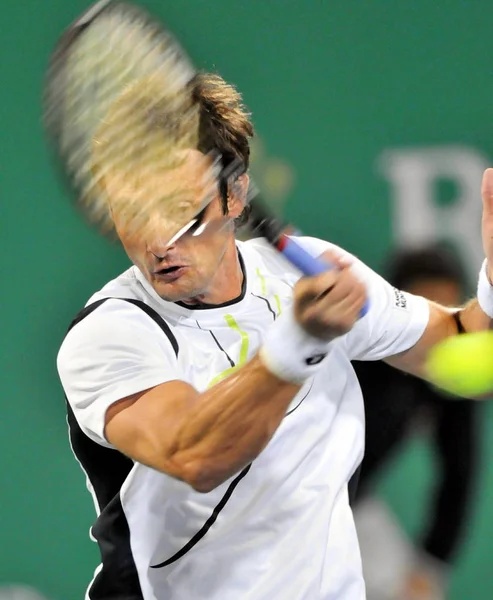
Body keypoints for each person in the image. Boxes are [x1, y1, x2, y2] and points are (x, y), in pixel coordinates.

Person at [57, 72, 493, 600]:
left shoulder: (302, 275)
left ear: (236, 193)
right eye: (128, 210)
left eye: (177, 209)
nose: (156, 241)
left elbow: (469, 351)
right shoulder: (109, 332)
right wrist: (298, 344)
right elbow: (196, 454)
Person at [351, 245, 481, 600]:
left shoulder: (451, 362)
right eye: (427, 305)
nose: (437, 324)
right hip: (287, 503)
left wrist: (431, 564)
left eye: (447, 306)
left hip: (355, 505)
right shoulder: (352, 351)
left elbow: (459, 471)